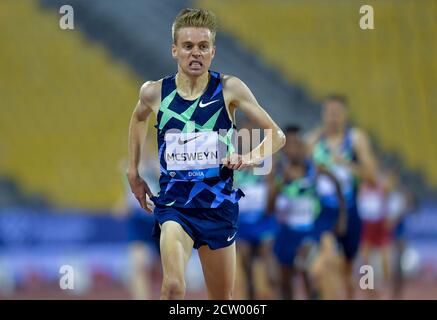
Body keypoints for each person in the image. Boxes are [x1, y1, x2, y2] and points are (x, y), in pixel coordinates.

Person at [126, 8, 285, 300]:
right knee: (173, 287)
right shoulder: (155, 93)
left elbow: (277, 135)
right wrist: (133, 172)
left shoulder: (228, 89)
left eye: (203, 47)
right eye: (188, 46)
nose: (195, 53)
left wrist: (249, 158)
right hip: (175, 207)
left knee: (222, 299)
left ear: (213, 51)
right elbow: (138, 118)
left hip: (218, 208)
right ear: (175, 49)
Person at [306, 95, 377, 299]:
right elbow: (299, 176)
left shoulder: (355, 140)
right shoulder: (313, 142)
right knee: (326, 261)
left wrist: (345, 164)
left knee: (347, 270)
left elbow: (372, 177)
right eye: (329, 113)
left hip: (349, 211)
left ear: (345, 116)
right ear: (323, 115)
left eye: (337, 113)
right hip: (324, 211)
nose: (333, 118)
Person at [268, 125, 346, 299]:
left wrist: (342, 217)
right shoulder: (278, 172)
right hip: (287, 232)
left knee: (308, 271)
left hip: (310, 229)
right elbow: (269, 208)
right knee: (284, 281)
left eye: (297, 144)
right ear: (283, 149)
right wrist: (280, 184)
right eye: (289, 145)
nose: (294, 149)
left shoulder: (314, 168)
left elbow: (337, 184)